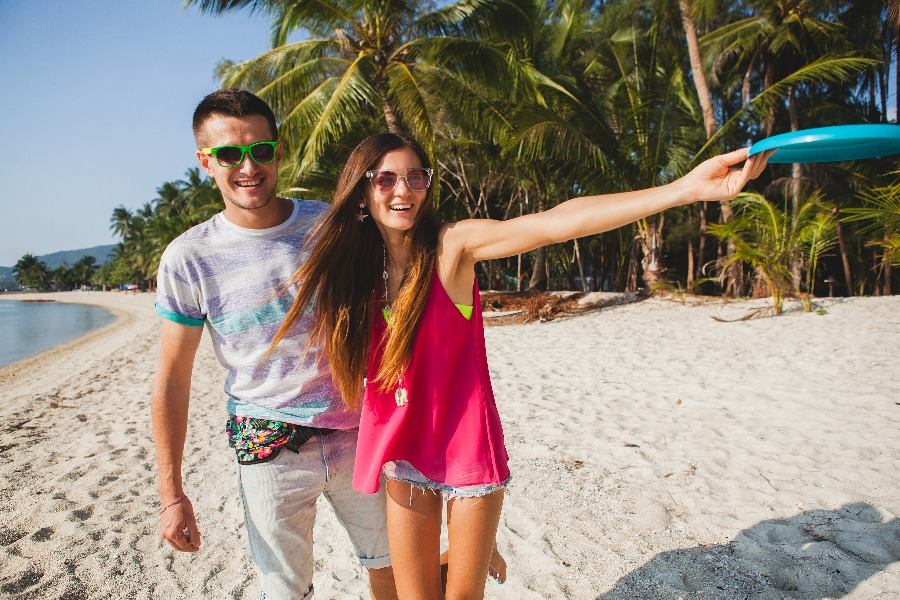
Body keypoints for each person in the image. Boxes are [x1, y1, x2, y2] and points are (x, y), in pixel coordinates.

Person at [272, 132, 771, 598]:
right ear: (361, 192)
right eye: (385, 179)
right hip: (403, 453)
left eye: (416, 176)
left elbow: (554, 222)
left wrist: (681, 190)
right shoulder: (356, 274)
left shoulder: (452, 247)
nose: (403, 190)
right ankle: (463, 551)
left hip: (467, 447)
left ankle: (473, 546)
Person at [150, 89, 397, 600]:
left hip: (361, 432)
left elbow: (402, 284)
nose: (248, 166)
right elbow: (173, 379)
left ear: (277, 152)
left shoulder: (332, 226)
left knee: (392, 566)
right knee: (285, 590)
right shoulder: (188, 257)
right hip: (267, 443)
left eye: (260, 150)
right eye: (229, 154)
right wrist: (171, 494)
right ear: (205, 162)